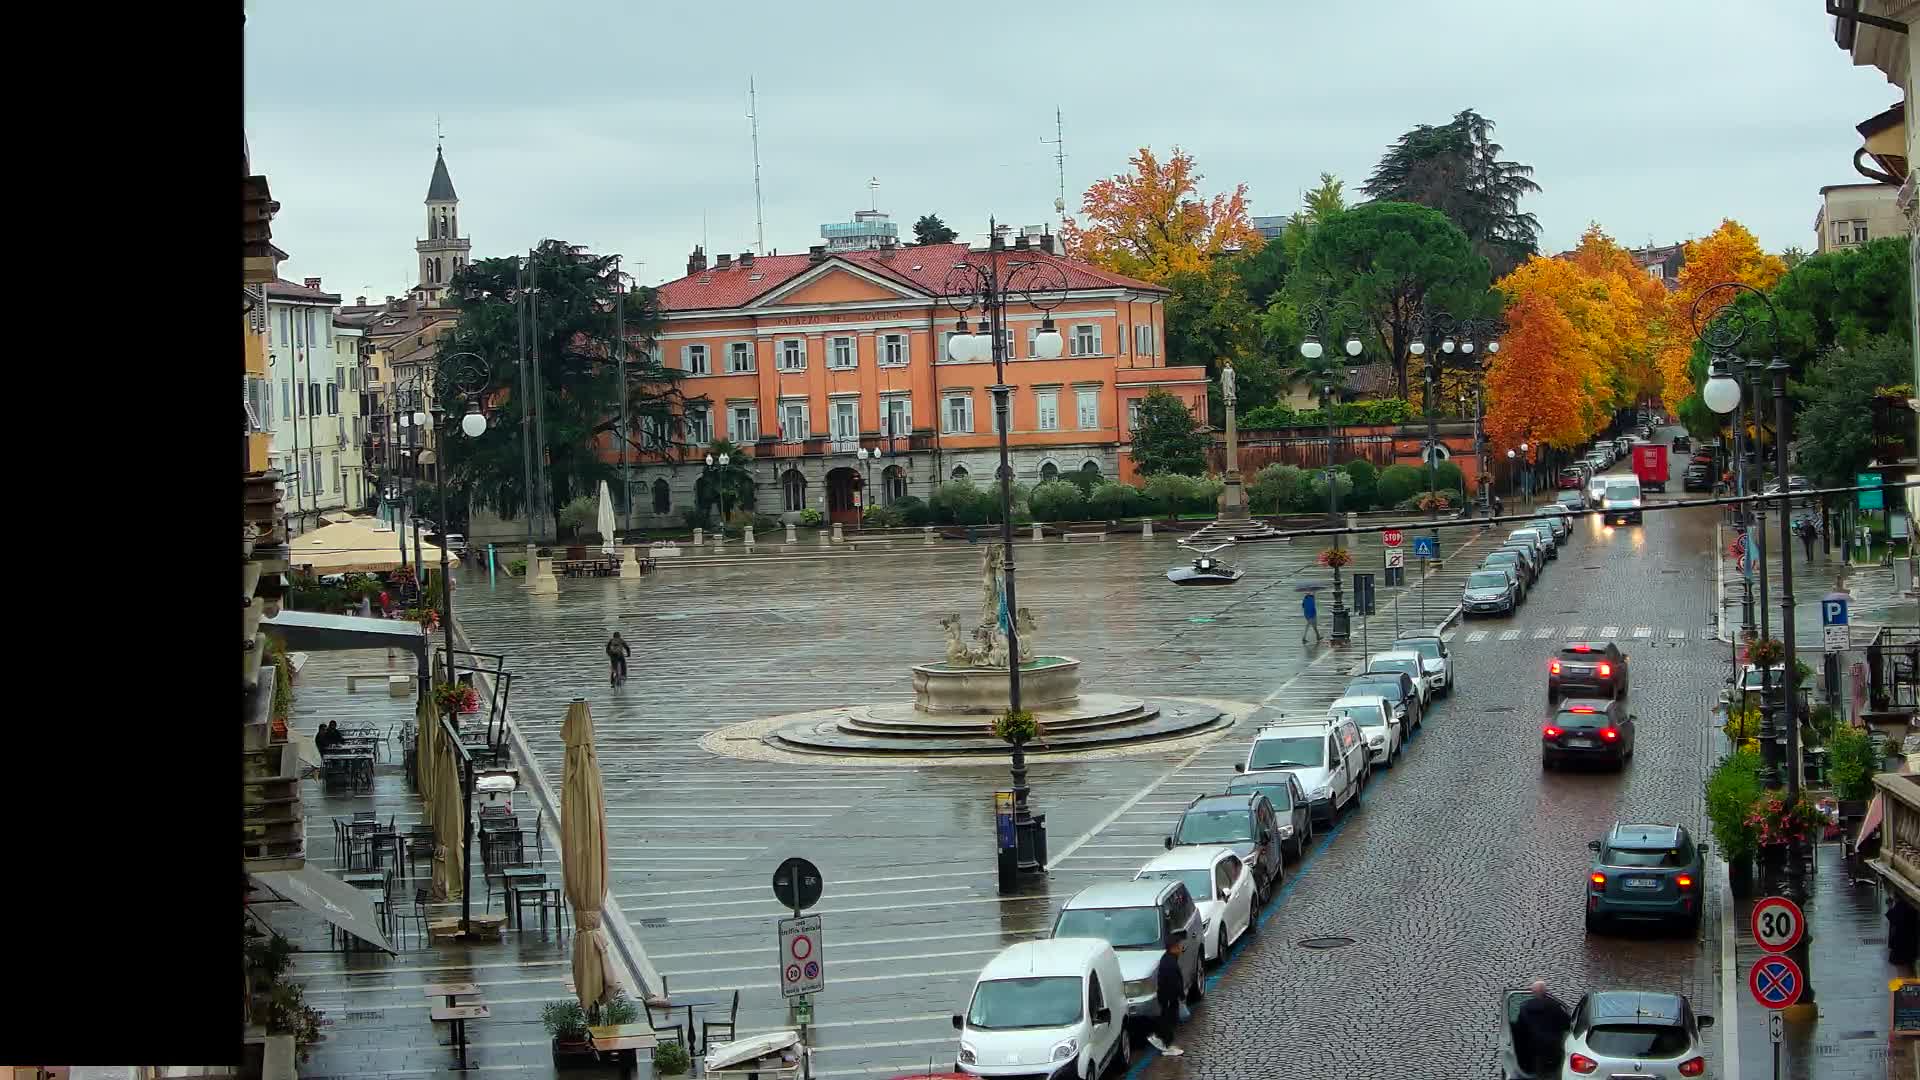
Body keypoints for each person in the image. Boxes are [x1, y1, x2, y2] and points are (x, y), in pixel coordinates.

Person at [1513, 980, 1570, 1076]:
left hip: (1534, 1046)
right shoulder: (1555, 1005)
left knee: (1539, 1068)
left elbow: (1520, 1029)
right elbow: (1566, 1023)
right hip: (1553, 1045)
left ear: (1533, 992)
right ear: (1545, 992)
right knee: (1554, 1070)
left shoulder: (1525, 1008)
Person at [1146, 930, 1187, 1057]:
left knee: (1168, 1019)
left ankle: (1161, 1038)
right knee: (1169, 1020)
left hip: (1167, 997)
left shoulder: (1169, 959)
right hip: (1168, 997)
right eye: (1179, 946)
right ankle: (1166, 1045)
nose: (1181, 948)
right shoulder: (1169, 963)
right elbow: (1173, 982)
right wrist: (1181, 995)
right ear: (1173, 948)